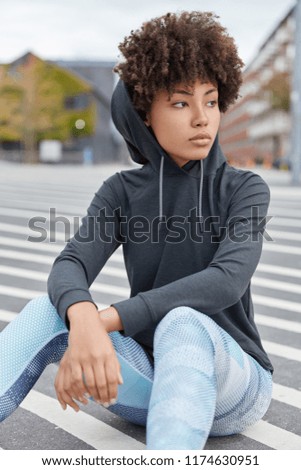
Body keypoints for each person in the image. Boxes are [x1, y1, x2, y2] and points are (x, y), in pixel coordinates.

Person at [0, 11, 273, 450]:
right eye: (182, 103)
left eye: (211, 99)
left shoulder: (243, 189)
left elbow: (226, 281)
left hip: (234, 386)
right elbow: (71, 264)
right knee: (45, 311)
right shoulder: (122, 191)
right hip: (150, 379)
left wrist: (103, 319)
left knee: (184, 323)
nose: (203, 118)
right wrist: (81, 315)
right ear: (145, 113)